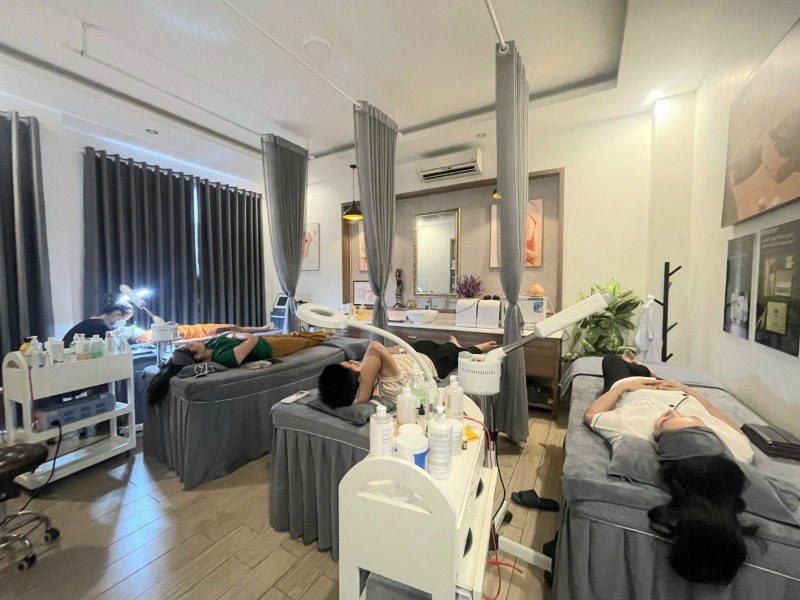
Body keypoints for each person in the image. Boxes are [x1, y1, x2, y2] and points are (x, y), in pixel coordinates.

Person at [582, 353, 756, 584]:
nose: (673, 412)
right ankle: (641, 368)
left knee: (611, 361)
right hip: (679, 393)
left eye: (665, 420)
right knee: (641, 371)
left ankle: (639, 368)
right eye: (685, 418)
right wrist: (689, 391)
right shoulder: (735, 447)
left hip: (636, 392)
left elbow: (591, 415)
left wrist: (623, 388)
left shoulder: (634, 426)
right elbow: (737, 431)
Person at [147, 330, 329, 405]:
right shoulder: (224, 357)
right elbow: (252, 339)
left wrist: (236, 334)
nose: (193, 342)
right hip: (269, 348)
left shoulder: (210, 345)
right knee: (304, 342)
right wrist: (240, 335)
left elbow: (227, 333)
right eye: (191, 345)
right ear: (197, 357)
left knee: (295, 335)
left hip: (265, 340)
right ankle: (327, 337)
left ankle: (325, 333)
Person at [317, 337, 497, 409]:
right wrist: (362, 397)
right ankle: (473, 346)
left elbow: (388, 350)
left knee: (445, 346)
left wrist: (400, 350)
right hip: (433, 361)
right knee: (455, 352)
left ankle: (454, 344)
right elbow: (375, 346)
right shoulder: (387, 387)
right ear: (360, 381)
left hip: (414, 350)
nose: (356, 361)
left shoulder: (374, 371)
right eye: (352, 365)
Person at [62, 301, 134, 346]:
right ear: (117, 314)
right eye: (124, 319)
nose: (124, 323)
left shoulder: (92, 322)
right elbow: (108, 350)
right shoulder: (101, 327)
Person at [132, 322, 276, 344]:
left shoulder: (150, 331)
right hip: (202, 334)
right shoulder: (151, 338)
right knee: (232, 329)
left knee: (233, 327)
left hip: (200, 328)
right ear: (138, 340)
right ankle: (263, 330)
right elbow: (177, 342)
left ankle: (262, 329)